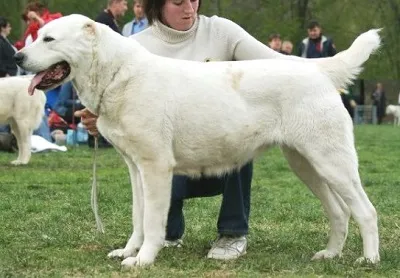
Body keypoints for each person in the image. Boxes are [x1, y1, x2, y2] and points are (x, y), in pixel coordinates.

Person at [75, 0, 314, 260]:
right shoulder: (136, 46)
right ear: (156, 5)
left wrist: (323, 74)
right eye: (179, 2)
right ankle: (167, 232)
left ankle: (232, 234)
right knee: (157, 155)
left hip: (222, 150)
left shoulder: (222, 31)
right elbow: (122, 109)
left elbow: (279, 64)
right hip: (174, 152)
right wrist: (100, 117)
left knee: (241, 132)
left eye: (194, 0)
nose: (189, 8)